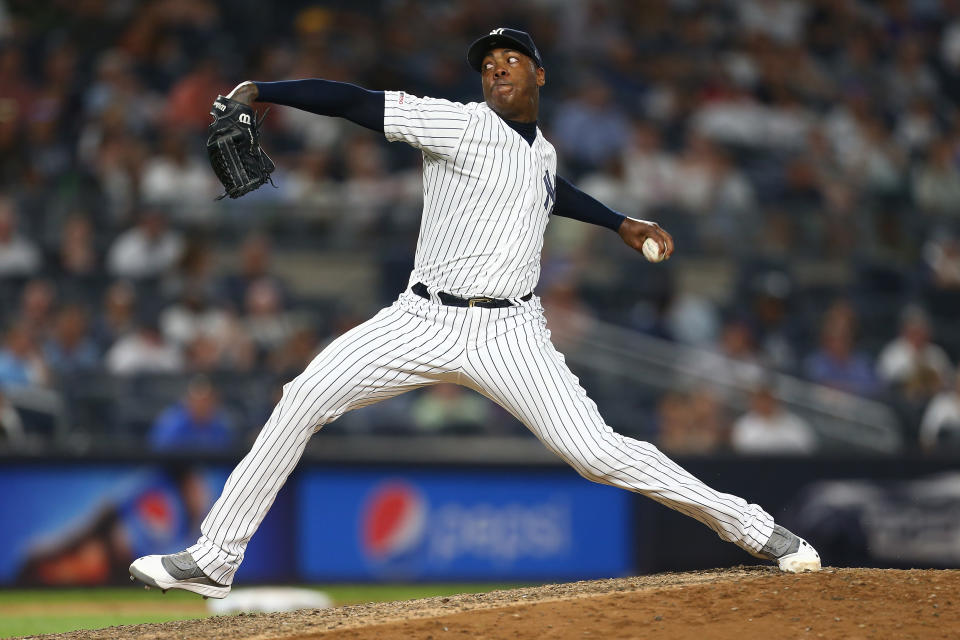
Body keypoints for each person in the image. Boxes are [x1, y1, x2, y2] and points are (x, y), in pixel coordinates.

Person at [130, 28, 820, 599]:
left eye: (510, 61)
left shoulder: (541, 151)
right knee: (302, 396)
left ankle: (755, 528)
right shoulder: (456, 122)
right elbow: (355, 102)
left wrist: (619, 224)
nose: (496, 71)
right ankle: (215, 558)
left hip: (511, 332)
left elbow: (550, 188)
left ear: (539, 76)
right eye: (487, 66)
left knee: (598, 454)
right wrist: (264, 92)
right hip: (420, 319)